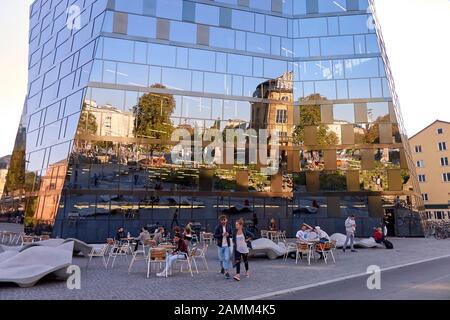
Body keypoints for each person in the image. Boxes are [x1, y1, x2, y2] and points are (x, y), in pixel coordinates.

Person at [214, 215, 233, 279]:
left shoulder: (229, 227)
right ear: (220, 221)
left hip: (227, 245)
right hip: (220, 245)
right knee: (221, 258)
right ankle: (222, 268)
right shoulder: (217, 227)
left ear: (226, 220)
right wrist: (221, 235)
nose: (223, 221)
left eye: (224, 220)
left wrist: (228, 235)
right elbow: (215, 235)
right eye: (222, 220)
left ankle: (226, 272)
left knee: (227, 258)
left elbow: (231, 235)